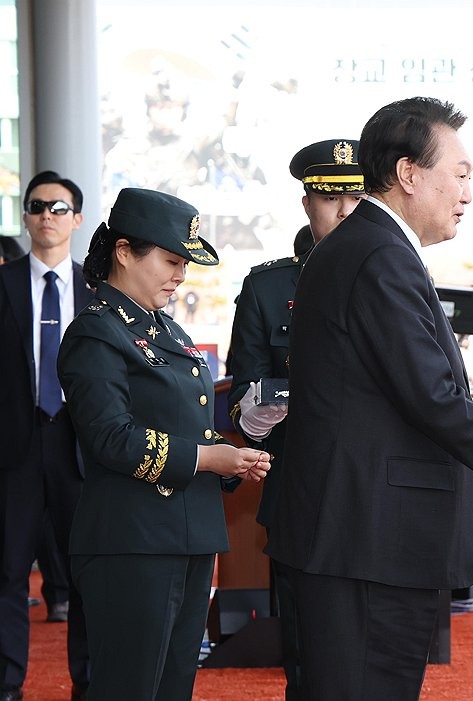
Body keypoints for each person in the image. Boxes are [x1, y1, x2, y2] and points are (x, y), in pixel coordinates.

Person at [265, 97, 473, 700]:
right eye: (460, 175)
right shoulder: (379, 255)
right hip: (364, 542)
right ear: (409, 174)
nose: (468, 192)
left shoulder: (371, 247)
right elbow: (431, 394)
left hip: (358, 537)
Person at [58, 188, 271, 701]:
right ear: (125, 251)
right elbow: (111, 437)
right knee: (128, 688)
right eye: (172, 261)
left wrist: (229, 456)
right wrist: (206, 457)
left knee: (172, 687)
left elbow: (184, 423)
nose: (181, 275)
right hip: (132, 543)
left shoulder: (163, 328)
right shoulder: (97, 333)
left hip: (187, 538)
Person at [225, 138, 366, 700]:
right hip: (301, 487)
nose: (344, 211)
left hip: (375, 488)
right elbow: (242, 389)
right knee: (308, 655)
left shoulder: (398, 274)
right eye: (330, 198)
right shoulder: (268, 286)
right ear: (307, 202)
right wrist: (255, 412)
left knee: (378, 650)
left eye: (356, 197)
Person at [0, 171, 92, 701]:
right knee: (8, 571)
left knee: (85, 573)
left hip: (80, 448)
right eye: (38, 207)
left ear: (76, 219)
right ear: (26, 217)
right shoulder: (5, 282)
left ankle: (90, 680)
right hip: (14, 446)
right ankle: (7, 681)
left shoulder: (96, 290)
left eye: (59, 209)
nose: (47, 217)